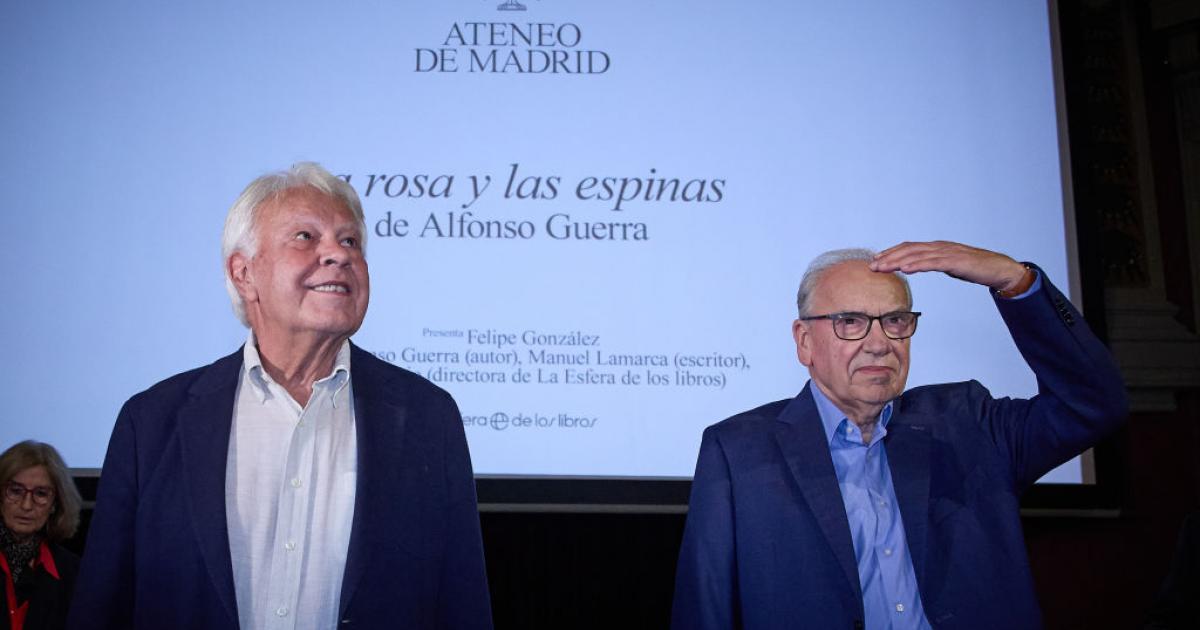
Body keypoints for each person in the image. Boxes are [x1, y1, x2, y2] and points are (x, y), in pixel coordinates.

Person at [68, 163, 492, 629]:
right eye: (306, 237)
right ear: (244, 273)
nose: (339, 254)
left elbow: (461, 603)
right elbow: (102, 606)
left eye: (350, 241)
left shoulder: (426, 418)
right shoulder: (152, 422)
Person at [671, 241, 1128, 630]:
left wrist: (1014, 281)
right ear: (804, 341)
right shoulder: (738, 449)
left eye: (895, 321)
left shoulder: (970, 423)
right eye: (849, 322)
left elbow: (1092, 405)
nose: (879, 342)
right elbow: (705, 606)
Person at [0, 441, 82, 630]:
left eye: (41, 493)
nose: (27, 505)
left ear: (55, 503)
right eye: (15, 491)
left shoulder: (73, 573)